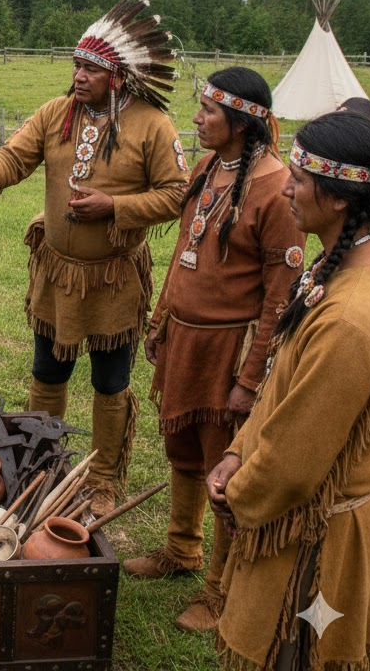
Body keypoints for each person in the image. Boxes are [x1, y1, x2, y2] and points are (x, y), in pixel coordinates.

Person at [0, 0, 187, 515]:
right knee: (48, 371)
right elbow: (15, 156)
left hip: (114, 279)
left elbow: (175, 194)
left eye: (91, 69)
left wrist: (114, 206)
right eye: (76, 65)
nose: (78, 76)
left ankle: (102, 478)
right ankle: (42, 460)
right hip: (56, 274)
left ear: (117, 76)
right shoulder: (57, 114)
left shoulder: (153, 126)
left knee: (110, 379)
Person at [123, 68, 305, 633]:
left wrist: (250, 379)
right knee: (183, 448)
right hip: (185, 336)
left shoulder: (276, 189)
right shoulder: (207, 167)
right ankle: (182, 549)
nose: (197, 119)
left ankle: (221, 590)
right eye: (199, 108)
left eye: (208, 111)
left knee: (223, 467)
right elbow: (183, 250)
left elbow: (280, 296)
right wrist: (159, 322)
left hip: (230, 346)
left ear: (242, 121)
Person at [208, 111, 370, 670]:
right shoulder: (338, 265)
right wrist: (236, 452)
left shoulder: (351, 316)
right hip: (294, 507)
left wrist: (240, 495)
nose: (284, 186)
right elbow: (283, 380)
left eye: (299, 179)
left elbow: (296, 459)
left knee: (296, 654)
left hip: (314, 535)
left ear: (339, 199)